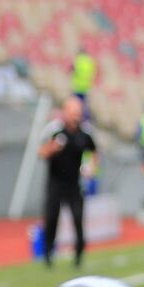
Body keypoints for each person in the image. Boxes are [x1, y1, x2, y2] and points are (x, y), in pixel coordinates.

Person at [38, 96, 98, 267]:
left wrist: (91, 168)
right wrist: (52, 148)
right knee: (51, 218)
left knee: (78, 218)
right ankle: (48, 254)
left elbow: (94, 152)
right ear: (65, 113)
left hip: (74, 184)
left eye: (78, 113)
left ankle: (79, 256)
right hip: (55, 183)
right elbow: (41, 152)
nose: (75, 117)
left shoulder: (85, 133)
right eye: (72, 113)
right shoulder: (54, 130)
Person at [70, 45, 95, 119]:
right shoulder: (89, 61)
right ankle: (85, 118)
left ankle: (78, 117)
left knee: (76, 104)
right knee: (84, 104)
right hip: (86, 86)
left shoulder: (78, 60)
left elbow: (73, 70)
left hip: (78, 86)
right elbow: (92, 73)